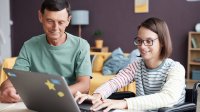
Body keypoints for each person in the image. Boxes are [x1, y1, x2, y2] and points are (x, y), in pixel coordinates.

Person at [75, 17, 186, 112]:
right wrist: (96, 96)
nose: (142, 46)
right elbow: (114, 82)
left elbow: (168, 97)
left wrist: (124, 103)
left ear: (162, 42)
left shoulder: (175, 68)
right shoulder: (137, 66)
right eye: (139, 40)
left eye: (149, 41)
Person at [0, 0, 92, 103]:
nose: (55, 28)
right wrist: (6, 89)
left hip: (70, 102)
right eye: (50, 21)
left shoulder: (81, 45)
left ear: (68, 20)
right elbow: (14, 79)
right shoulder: (29, 45)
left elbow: (85, 85)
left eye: (60, 22)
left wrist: (55, 95)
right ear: (40, 16)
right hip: (40, 102)